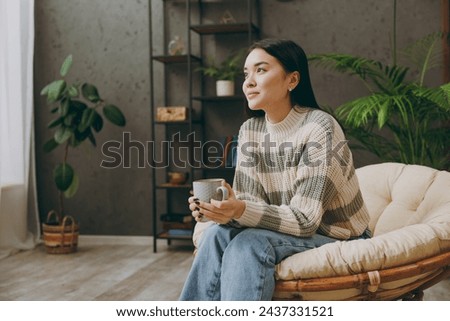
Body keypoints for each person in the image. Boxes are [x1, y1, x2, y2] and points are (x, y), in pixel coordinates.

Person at [179, 38, 370, 301]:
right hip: (285, 231)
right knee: (215, 235)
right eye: (246, 73)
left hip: (336, 236)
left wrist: (241, 210)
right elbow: (250, 201)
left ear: (292, 80)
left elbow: (306, 220)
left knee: (250, 244)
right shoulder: (250, 130)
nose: (248, 82)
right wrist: (220, 212)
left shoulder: (319, 128)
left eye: (261, 70)